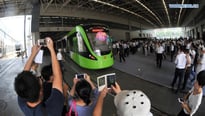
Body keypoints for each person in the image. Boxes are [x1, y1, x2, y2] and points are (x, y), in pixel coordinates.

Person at [14, 37, 64, 116]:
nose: (39, 78)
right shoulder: (52, 110)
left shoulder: (23, 100)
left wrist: (33, 54)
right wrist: (51, 49)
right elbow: (58, 77)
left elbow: (24, 76)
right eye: (38, 79)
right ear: (41, 91)